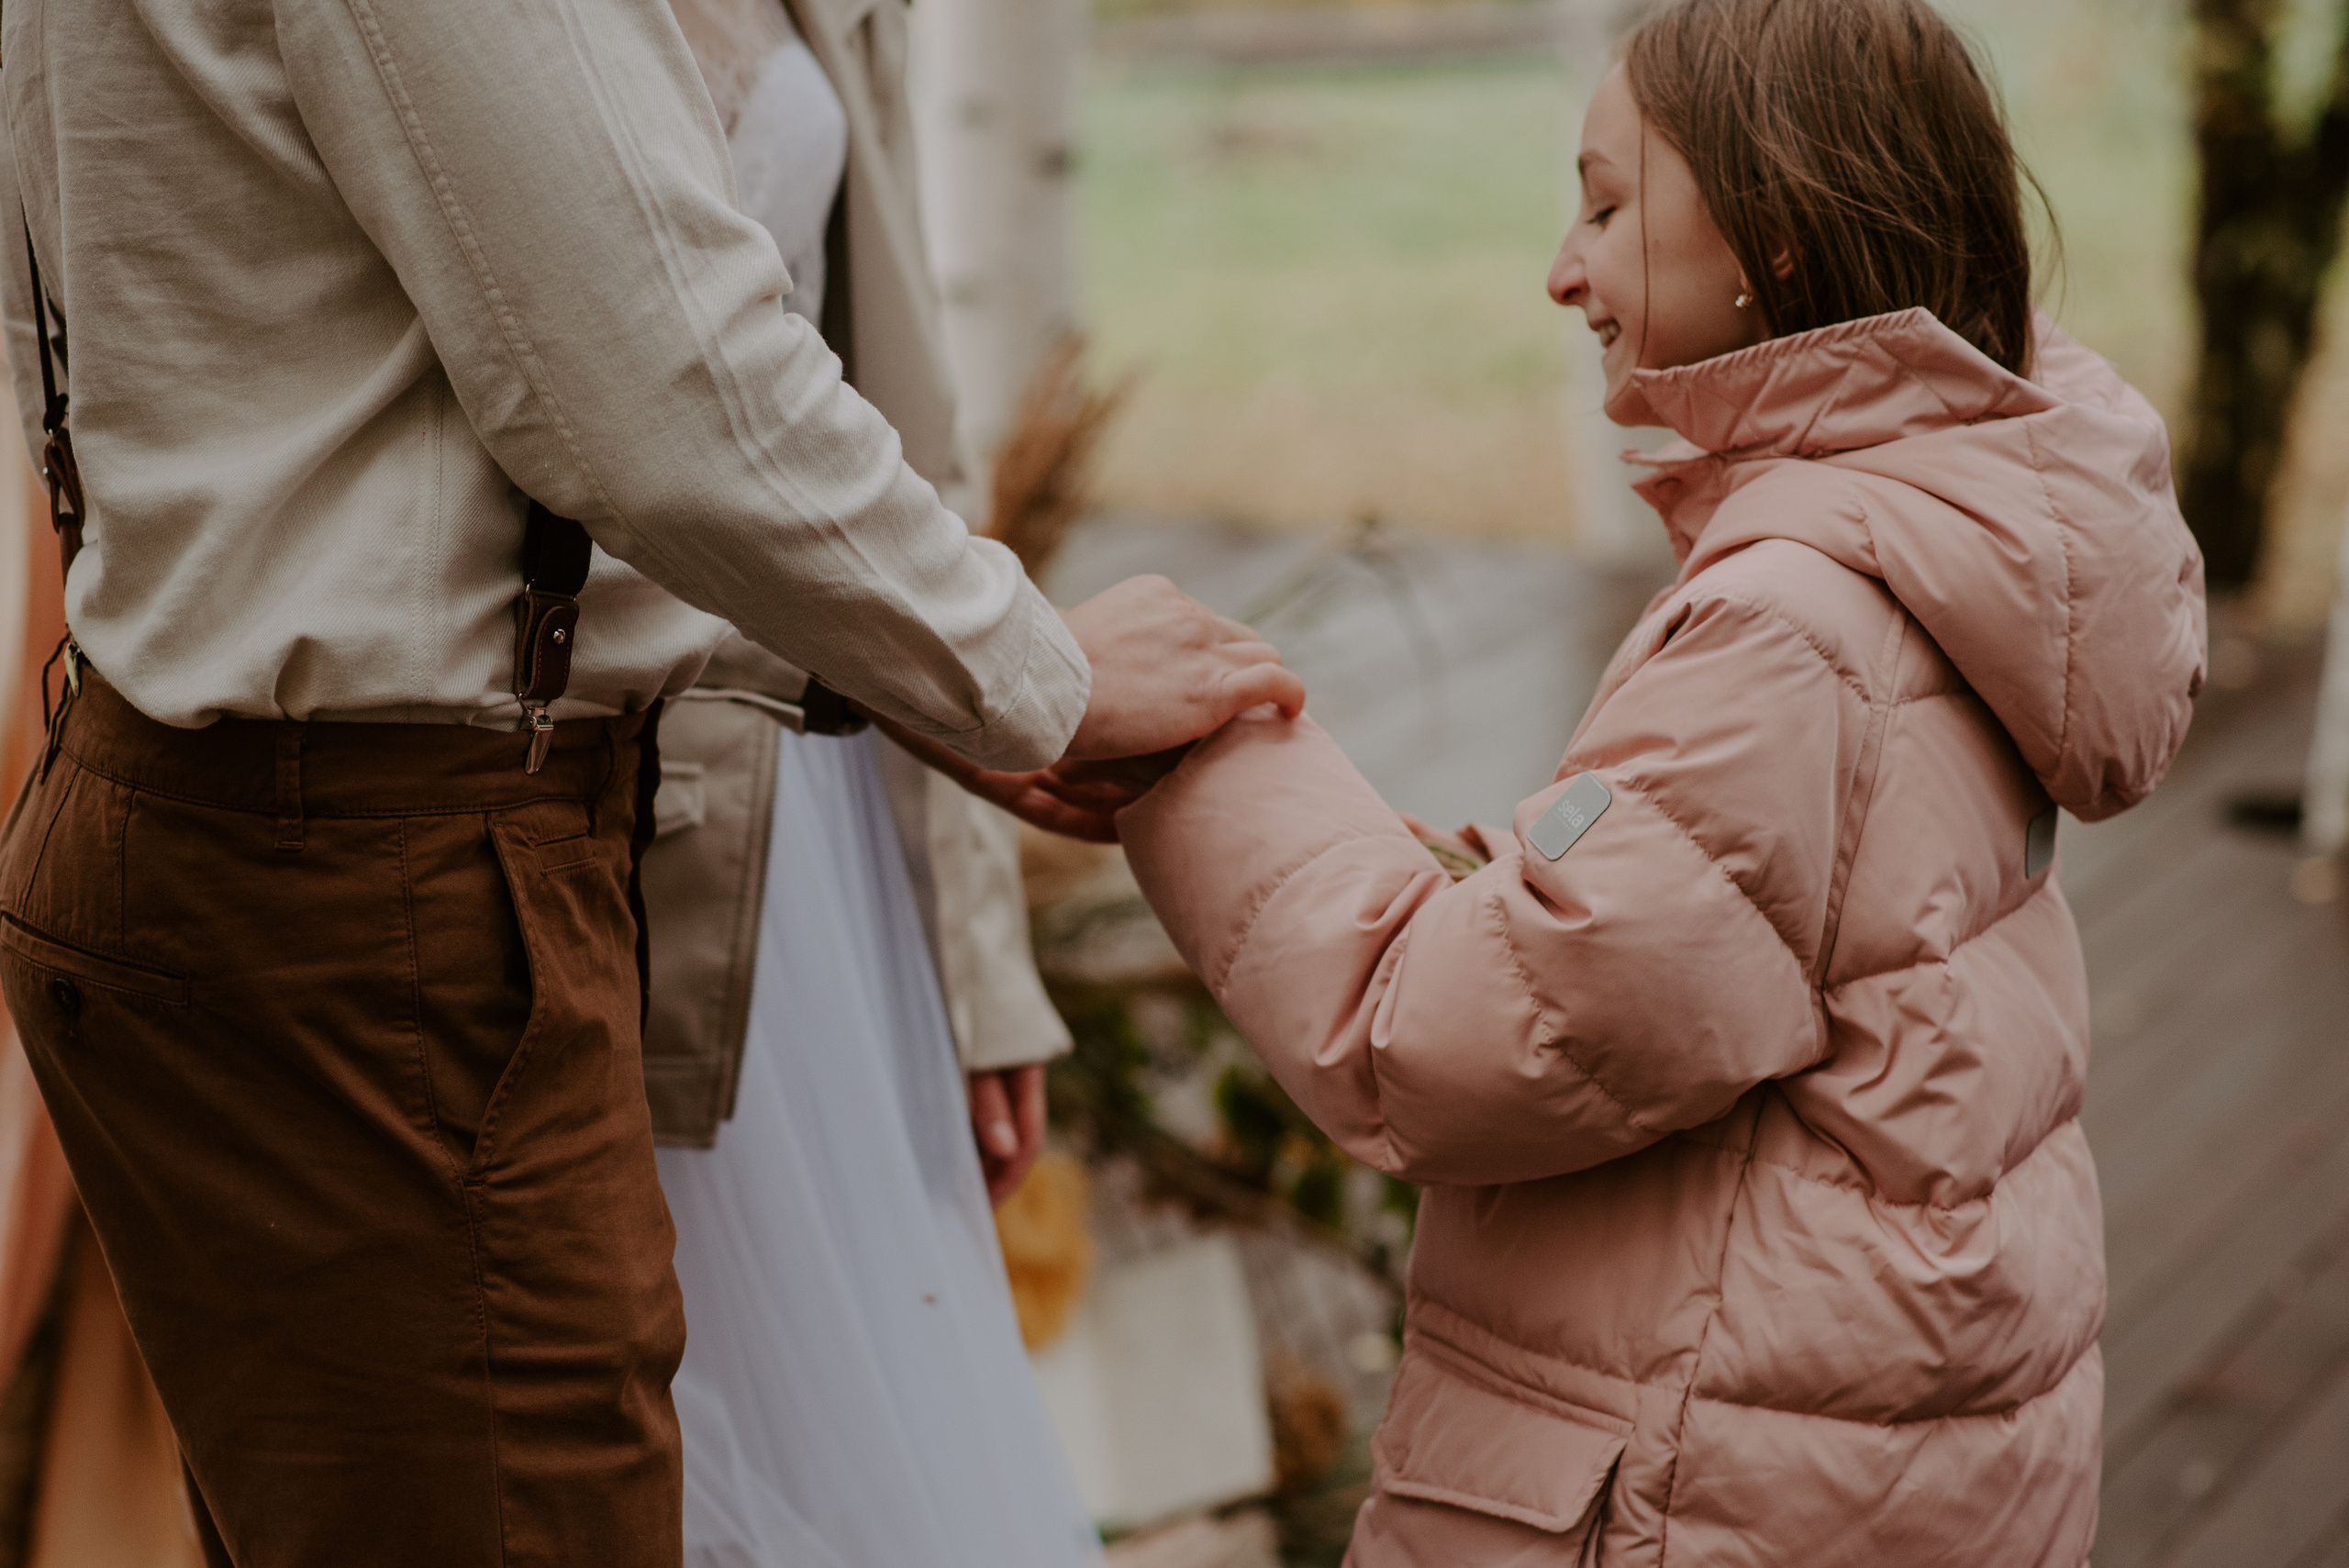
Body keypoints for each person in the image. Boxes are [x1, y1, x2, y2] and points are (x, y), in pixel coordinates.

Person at [0, 5, 1299, 1567]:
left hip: (227, 796)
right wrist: (1032, 673)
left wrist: (908, 688)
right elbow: (651, 375)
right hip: (390, 874)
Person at [1088, 1, 2207, 1561]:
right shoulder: (1950, 545)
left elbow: (1468, 1036)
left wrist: (1198, 754)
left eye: (1608, 206)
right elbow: (1723, 930)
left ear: (1778, 235)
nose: (1561, 267)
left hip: (1702, 1489)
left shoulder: (1795, 630)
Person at [640, 3, 1099, 1562]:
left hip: (819, 803)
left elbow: (902, 455)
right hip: (553, 802)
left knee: (865, 1445)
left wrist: (967, 959)